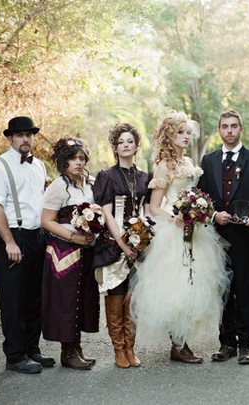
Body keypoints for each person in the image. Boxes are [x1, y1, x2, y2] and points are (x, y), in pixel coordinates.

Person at [130, 112, 229, 364]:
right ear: (169, 136)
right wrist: (176, 219)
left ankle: (182, 341)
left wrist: (198, 211)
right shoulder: (164, 165)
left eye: (188, 132)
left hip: (196, 230)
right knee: (177, 285)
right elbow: (154, 206)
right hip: (174, 230)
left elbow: (194, 193)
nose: (186, 137)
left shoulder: (188, 162)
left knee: (195, 283)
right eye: (181, 132)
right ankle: (179, 344)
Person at [198, 109, 249, 365]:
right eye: (224, 127)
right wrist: (213, 215)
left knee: (243, 287)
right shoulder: (208, 160)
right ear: (219, 130)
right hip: (216, 237)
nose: (229, 131)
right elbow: (201, 200)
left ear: (241, 129)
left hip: (245, 236)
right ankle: (226, 342)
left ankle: (246, 344)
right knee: (222, 289)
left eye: (233, 126)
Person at [0, 116, 55, 374]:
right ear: (10, 138)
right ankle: (15, 355)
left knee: (34, 296)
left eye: (29, 134)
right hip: (12, 237)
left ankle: (31, 349)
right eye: (20, 135)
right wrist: (9, 241)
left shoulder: (39, 166)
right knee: (13, 299)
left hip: (36, 236)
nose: (25, 139)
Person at [92, 123, 152, 368]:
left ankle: (131, 347)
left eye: (130, 141)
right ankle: (119, 349)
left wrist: (143, 237)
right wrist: (123, 244)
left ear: (137, 146)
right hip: (113, 245)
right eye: (121, 142)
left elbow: (146, 211)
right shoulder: (106, 176)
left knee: (133, 299)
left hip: (138, 245)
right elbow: (107, 214)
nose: (125, 145)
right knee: (116, 297)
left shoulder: (144, 177)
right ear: (115, 148)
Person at [41, 137, 100, 370]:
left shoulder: (89, 184)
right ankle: (67, 351)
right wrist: (74, 237)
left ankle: (77, 348)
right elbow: (46, 221)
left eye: (82, 158)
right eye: (73, 158)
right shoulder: (57, 187)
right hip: (64, 251)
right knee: (66, 300)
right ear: (64, 161)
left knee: (82, 297)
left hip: (86, 250)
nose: (78, 162)